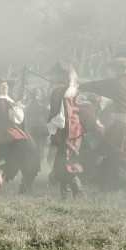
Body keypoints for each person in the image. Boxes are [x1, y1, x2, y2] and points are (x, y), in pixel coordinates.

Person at [79, 52, 126, 200]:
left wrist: (78, 86)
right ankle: (105, 189)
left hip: (123, 128)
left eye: (114, 67)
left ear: (118, 67)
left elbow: (95, 86)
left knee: (114, 161)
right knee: (110, 159)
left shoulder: (116, 83)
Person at [0, 76, 40, 193]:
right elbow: (16, 118)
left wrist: (17, 102)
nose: (4, 86)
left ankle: (24, 188)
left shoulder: (5, 100)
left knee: (24, 160)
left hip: (13, 137)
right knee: (5, 164)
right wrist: (18, 102)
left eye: (6, 84)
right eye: (1, 84)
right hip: (10, 137)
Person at [46, 61, 85, 199]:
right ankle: (66, 196)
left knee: (63, 166)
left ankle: (80, 195)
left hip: (66, 133)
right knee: (61, 166)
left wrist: (49, 126)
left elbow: (61, 118)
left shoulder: (59, 91)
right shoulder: (69, 90)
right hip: (73, 132)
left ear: (57, 76)